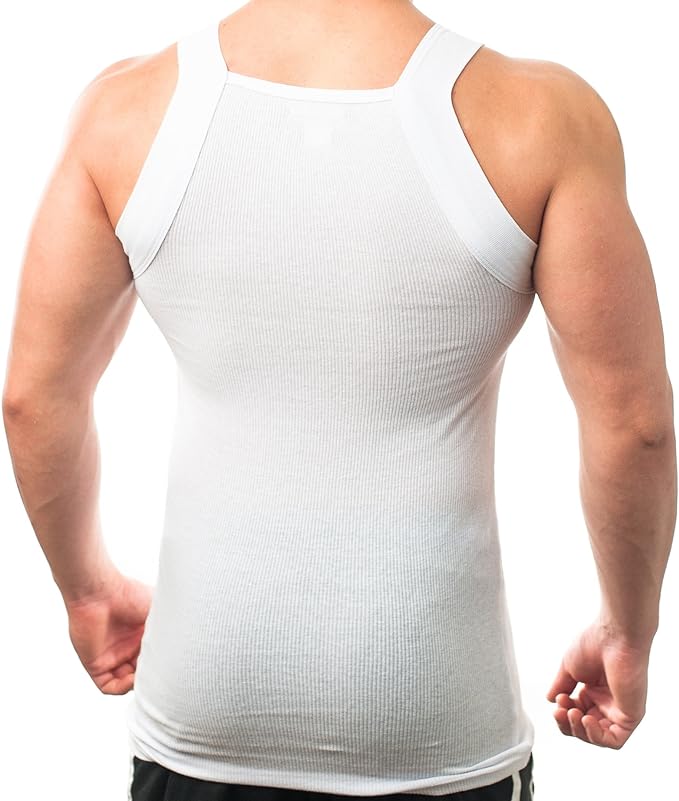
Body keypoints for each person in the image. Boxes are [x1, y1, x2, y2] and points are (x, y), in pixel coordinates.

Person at [3, 1, 676, 799]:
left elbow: (33, 397)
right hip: (435, 722)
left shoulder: (126, 109)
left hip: (204, 707)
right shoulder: (540, 116)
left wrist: (86, 591)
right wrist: (626, 631)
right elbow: (633, 426)